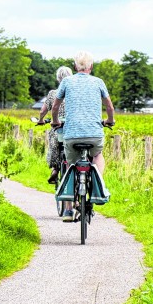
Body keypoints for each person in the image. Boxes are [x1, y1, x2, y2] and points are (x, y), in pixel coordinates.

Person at [51, 51, 115, 222]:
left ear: (75, 66)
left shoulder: (66, 82)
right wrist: (110, 121)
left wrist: (55, 122)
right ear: (91, 67)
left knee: (70, 163)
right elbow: (109, 107)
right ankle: (98, 184)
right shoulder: (98, 82)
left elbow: (55, 107)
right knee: (97, 155)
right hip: (94, 135)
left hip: (72, 136)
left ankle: (70, 203)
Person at [37, 66, 73, 183]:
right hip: (73, 128)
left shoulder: (53, 93)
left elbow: (43, 110)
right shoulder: (75, 94)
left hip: (58, 127)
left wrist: (41, 119)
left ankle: (55, 169)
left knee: (53, 139)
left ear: (58, 79)